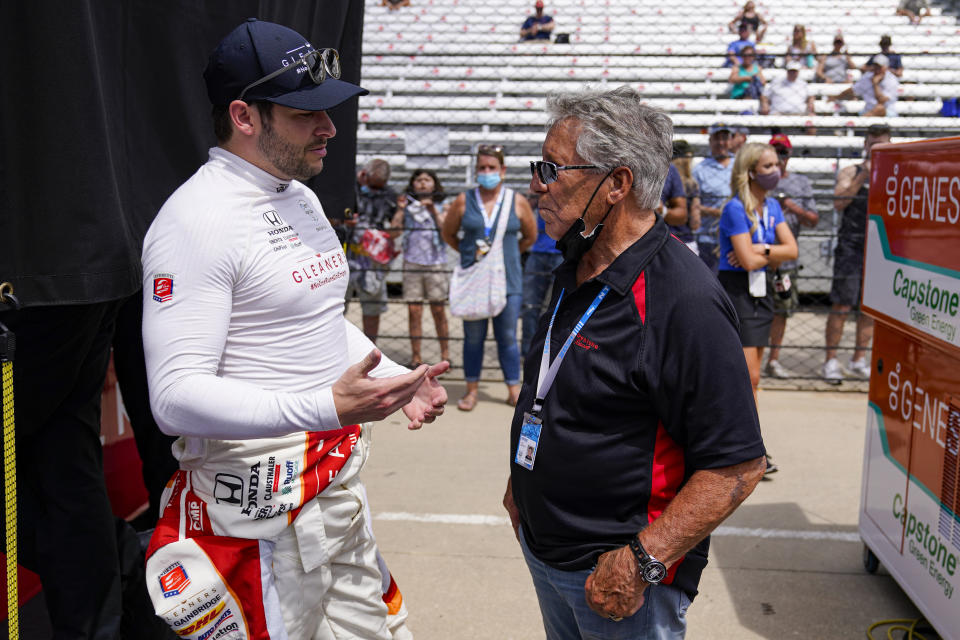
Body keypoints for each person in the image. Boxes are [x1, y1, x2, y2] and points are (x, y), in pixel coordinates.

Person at [140, 19, 448, 639]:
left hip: (335, 494)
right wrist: (326, 405)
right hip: (256, 524)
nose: (329, 127)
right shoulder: (194, 222)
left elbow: (316, 321)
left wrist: (394, 378)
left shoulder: (300, 196)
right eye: (306, 113)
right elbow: (173, 399)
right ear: (244, 116)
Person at [504, 86, 767, 638]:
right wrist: (523, 479)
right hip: (547, 549)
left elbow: (737, 466)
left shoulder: (684, 300)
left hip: (619, 577)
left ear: (616, 184)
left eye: (552, 168)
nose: (536, 183)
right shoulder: (576, 261)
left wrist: (643, 561)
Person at [718, 142, 797, 476]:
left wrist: (762, 248)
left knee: (753, 376)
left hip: (760, 291)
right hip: (738, 292)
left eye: (775, 165)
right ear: (750, 172)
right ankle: (752, 450)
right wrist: (767, 253)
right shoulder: (735, 209)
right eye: (767, 167)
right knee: (747, 377)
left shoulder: (772, 207)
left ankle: (747, 448)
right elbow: (746, 260)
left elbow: (791, 249)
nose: (775, 171)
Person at [442, 145, 536, 411]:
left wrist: (504, 257)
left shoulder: (516, 201)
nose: (486, 172)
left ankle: (513, 389)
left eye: (491, 168)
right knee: (473, 337)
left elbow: (530, 236)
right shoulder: (463, 200)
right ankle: (471, 390)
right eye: (482, 168)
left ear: (502, 170)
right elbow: (449, 234)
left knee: (507, 336)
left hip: (509, 280)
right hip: (474, 281)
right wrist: (471, 255)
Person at [822, 124, 892, 383]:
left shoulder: (893, 175)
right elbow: (839, 203)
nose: (875, 148)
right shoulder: (850, 172)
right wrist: (862, 177)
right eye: (871, 143)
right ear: (865, 144)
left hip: (880, 247)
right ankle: (830, 360)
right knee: (841, 304)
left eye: (880, 143)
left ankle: (859, 359)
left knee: (870, 309)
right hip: (851, 245)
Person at [763, 134, 819, 379]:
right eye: (775, 153)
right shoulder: (760, 179)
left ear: (790, 155)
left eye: (783, 153)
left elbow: (813, 220)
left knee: (782, 311)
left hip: (785, 260)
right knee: (753, 310)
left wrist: (790, 206)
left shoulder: (801, 182)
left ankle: (773, 360)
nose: (779, 158)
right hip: (757, 258)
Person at [390, 169, 451, 366]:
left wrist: (434, 210)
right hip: (412, 262)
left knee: (438, 310)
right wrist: (400, 209)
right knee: (414, 310)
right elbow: (393, 233)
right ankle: (416, 356)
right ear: (413, 185)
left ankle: (445, 354)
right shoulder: (407, 207)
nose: (423, 183)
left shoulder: (443, 206)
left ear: (434, 184)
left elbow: (447, 234)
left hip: (436, 263)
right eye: (419, 180)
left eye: (427, 180)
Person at [346, 158, 397, 342]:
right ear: (364, 175)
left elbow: (395, 229)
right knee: (336, 308)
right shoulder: (346, 185)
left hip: (372, 261)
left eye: (379, 187)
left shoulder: (388, 194)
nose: (375, 191)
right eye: (372, 186)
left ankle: (370, 352)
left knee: (372, 310)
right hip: (344, 254)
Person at [521, 192, 565, 356]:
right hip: (539, 252)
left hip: (562, 253)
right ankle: (529, 353)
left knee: (560, 308)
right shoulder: (544, 183)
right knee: (530, 306)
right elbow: (528, 203)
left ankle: (553, 350)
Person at [693, 123, 734, 274]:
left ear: (730, 141)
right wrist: (720, 212)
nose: (721, 142)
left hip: (736, 236)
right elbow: (694, 206)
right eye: (717, 138)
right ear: (710, 141)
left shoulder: (739, 166)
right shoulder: (700, 169)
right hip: (709, 239)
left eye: (725, 138)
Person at [832, 55, 899, 117]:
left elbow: (881, 101)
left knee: (879, 108)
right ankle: (861, 123)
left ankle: (860, 124)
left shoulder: (891, 80)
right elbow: (853, 90)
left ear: (885, 67)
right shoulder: (868, 76)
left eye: (879, 66)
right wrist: (836, 97)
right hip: (868, 110)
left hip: (887, 111)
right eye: (875, 66)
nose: (877, 68)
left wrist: (875, 84)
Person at [669, 140, 701, 254]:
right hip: (687, 242)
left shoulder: (664, 182)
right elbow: (695, 223)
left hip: (665, 239)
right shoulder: (692, 184)